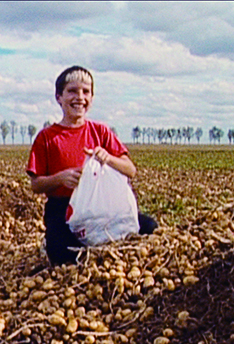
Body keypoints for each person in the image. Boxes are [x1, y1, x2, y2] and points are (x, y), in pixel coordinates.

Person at [26, 65, 157, 265]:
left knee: (150, 228)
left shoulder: (100, 132)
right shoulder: (47, 137)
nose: (79, 97)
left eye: (86, 92)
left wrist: (109, 159)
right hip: (63, 208)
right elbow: (36, 185)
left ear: (92, 99)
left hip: (102, 206)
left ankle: (103, 252)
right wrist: (61, 178)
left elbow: (130, 169)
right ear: (59, 97)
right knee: (61, 252)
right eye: (72, 91)